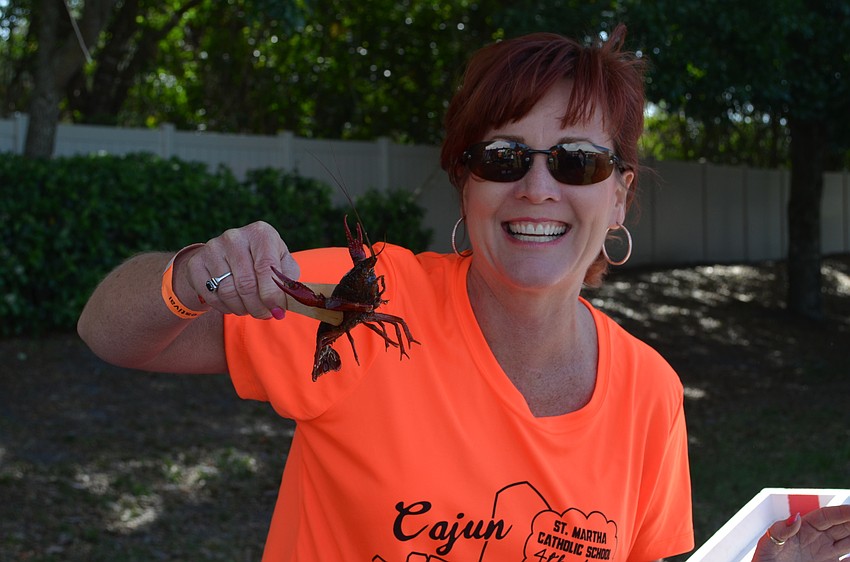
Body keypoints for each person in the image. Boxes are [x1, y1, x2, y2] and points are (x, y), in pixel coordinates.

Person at [77, 26, 850, 562]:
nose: (537, 188)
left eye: (576, 161)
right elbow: (107, 331)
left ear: (619, 197)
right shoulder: (374, 292)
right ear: (466, 182)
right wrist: (190, 276)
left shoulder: (650, 391)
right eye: (504, 156)